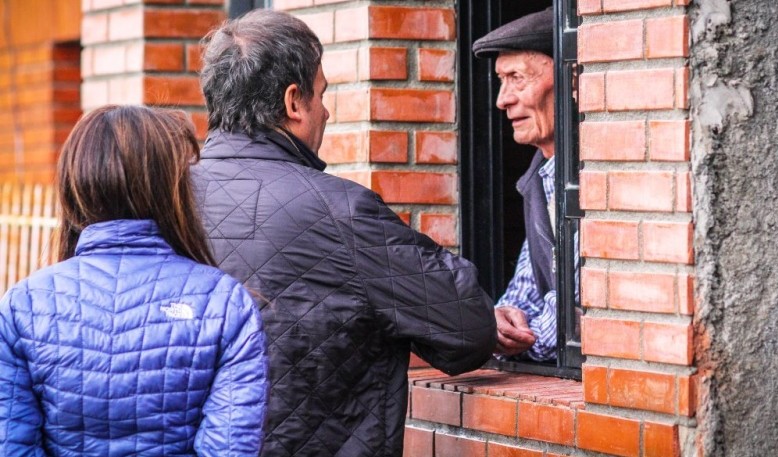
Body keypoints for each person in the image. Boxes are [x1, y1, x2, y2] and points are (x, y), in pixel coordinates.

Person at [194, 9, 496, 457]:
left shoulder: (159, 200)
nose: (328, 111)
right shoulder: (340, 212)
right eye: (322, 94)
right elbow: (468, 329)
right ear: (294, 102)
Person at [0, 105, 269, 456]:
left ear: (74, 183)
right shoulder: (224, 303)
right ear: (170, 189)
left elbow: (12, 446)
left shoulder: (23, 307)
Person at [472, 7, 572, 362]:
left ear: (570, 79)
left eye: (517, 78)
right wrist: (502, 321)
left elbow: (577, 313)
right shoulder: (542, 177)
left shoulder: (598, 177)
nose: (503, 99)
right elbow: (526, 289)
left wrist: (518, 339)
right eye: (502, 81)